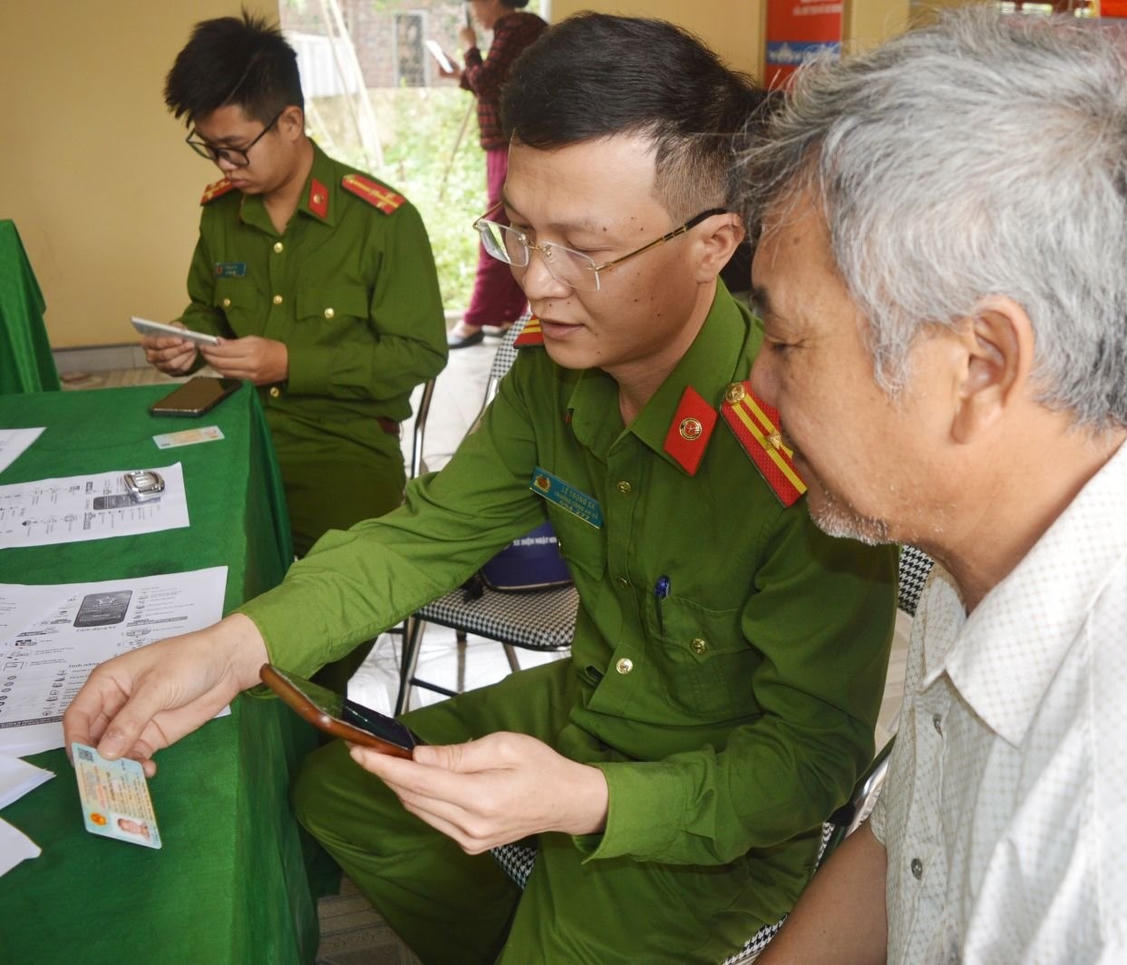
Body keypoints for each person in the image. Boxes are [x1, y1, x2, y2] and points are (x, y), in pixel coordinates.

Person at [66, 14, 899, 964]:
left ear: (712, 243)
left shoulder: (800, 443)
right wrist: (228, 648)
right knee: (343, 795)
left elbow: (809, 765)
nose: (536, 284)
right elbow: (424, 536)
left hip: (712, 808)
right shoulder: (558, 370)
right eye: (519, 232)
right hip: (592, 711)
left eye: (583, 247)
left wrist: (582, 802)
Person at [738, 9, 1127, 962]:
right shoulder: (994, 548)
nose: (756, 384)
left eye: (786, 340)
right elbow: (906, 845)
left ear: (981, 367)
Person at [142, 14, 448, 690]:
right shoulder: (223, 211)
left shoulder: (381, 221)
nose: (224, 165)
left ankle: (292, 739)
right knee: (177, 576)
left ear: (289, 123)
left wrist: (291, 362)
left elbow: (420, 353)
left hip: (345, 449)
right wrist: (182, 343)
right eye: (210, 149)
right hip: (239, 431)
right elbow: (206, 308)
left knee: (312, 631)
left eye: (235, 148)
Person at [443, 0, 547, 349]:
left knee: (497, 228)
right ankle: (507, 314)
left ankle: (474, 321)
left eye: (475, 4)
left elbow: (487, 81)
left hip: (512, 146)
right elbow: (494, 82)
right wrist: (461, 75)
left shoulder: (516, 27)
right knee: (512, 230)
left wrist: (470, 46)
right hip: (509, 144)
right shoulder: (519, 29)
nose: (474, 11)